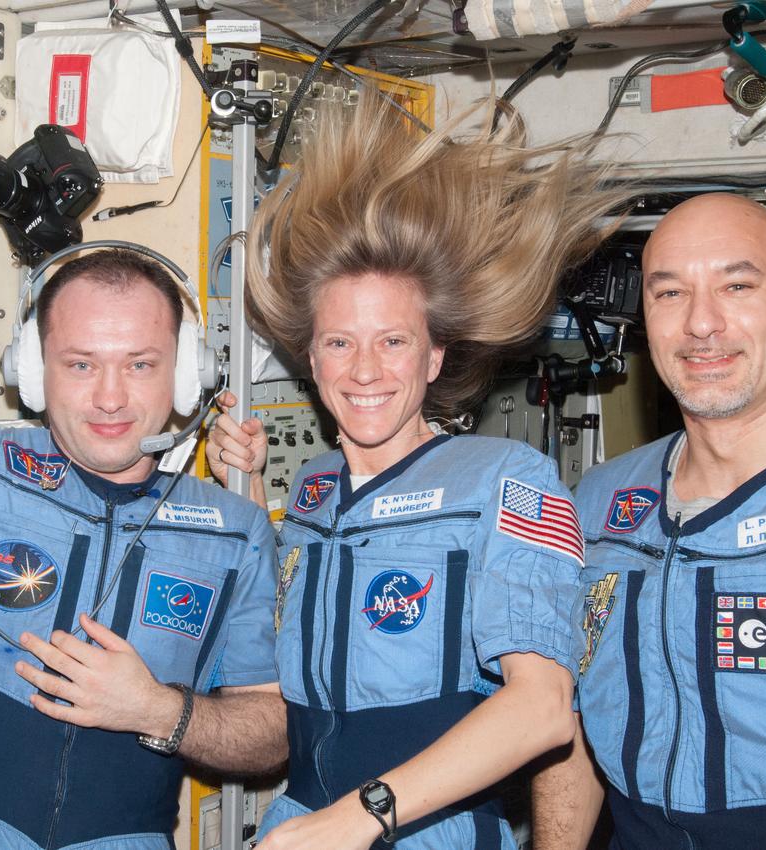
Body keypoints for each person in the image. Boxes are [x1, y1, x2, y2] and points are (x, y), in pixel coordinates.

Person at [204, 100, 628, 849]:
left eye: (393, 341)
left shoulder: (504, 479)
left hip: (425, 829)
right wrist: (244, 487)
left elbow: (543, 709)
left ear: (434, 358)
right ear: (311, 359)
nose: (364, 369)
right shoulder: (311, 493)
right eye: (339, 342)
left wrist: (358, 817)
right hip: (298, 822)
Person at [0, 247, 285, 849]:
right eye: (80, 364)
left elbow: (272, 733)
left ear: (188, 375)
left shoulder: (234, 529)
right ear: (32, 373)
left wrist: (157, 711)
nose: (109, 398)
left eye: (140, 364)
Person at [531, 193, 766, 850]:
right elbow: (572, 718)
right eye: (671, 293)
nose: (703, 324)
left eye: (737, 285)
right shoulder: (600, 504)